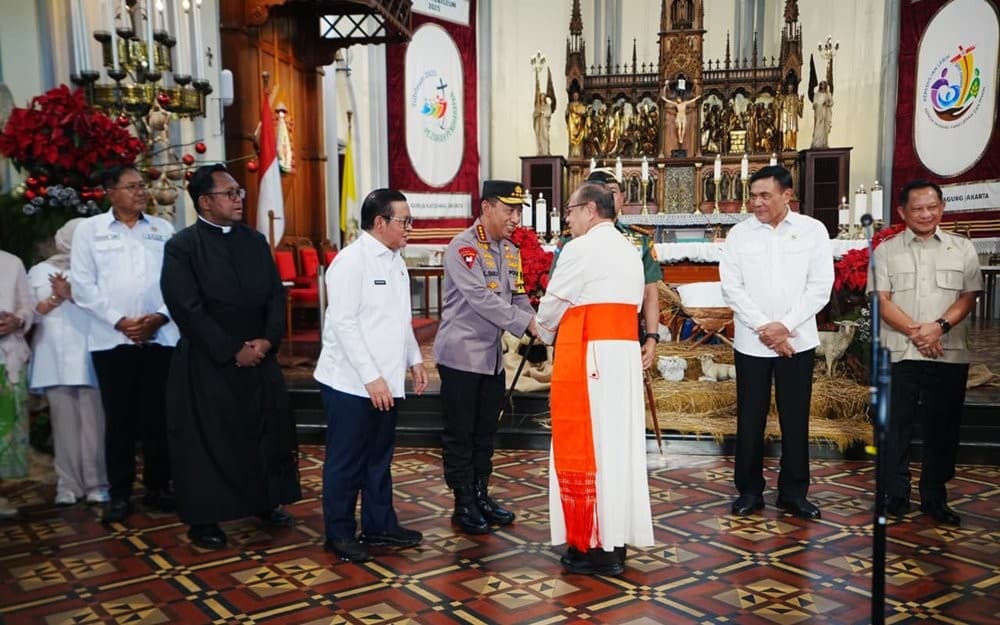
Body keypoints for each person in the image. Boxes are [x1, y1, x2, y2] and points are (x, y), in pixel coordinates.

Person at [160, 164, 301, 550]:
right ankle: (205, 518)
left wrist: (267, 341)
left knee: (265, 432)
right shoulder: (182, 247)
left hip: (259, 354)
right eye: (231, 193)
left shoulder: (254, 241)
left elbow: (275, 294)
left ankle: (265, 501)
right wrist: (231, 349)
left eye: (240, 192)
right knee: (209, 441)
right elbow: (186, 307)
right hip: (209, 361)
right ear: (205, 202)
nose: (240, 199)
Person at [536, 181, 653, 576]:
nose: (566, 218)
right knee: (617, 447)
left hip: (591, 356)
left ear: (590, 209)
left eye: (570, 210)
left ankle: (593, 545)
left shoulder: (580, 248)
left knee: (593, 445)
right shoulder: (629, 248)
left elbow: (554, 303)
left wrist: (541, 330)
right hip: (620, 355)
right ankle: (614, 539)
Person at [314, 188, 428, 563]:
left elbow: (399, 318)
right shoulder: (351, 262)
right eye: (404, 221)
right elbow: (343, 324)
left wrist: (414, 360)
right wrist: (371, 378)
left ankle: (380, 525)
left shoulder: (395, 259)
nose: (410, 227)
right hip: (351, 384)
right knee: (346, 461)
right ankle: (340, 533)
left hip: (385, 382)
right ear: (380, 222)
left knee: (379, 458)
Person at [719, 165, 833, 520]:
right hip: (752, 343)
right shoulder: (739, 235)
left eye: (765, 195)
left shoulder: (813, 231)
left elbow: (820, 287)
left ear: (787, 195)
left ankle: (794, 493)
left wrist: (783, 327)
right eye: (752, 196)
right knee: (750, 421)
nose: (756, 203)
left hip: (797, 340)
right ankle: (749, 492)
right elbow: (732, 288)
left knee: (795, 418)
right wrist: (765, 329)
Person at [71, 164, 177, 524]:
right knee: (119, 421)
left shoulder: (162, 229)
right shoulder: (91, 231)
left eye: (141, 185)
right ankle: (119, 494)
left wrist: (159, 317)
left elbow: (177, 282)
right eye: (131, 186)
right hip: (111, 340)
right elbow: (83, 286)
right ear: (110, 192)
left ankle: (159, 487)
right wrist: (122, 322)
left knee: (159, 417)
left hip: (160, 336)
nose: (140, 192)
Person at [871, 180, 981, 526]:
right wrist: (918, 332)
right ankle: (896, 494)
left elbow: (968, 296)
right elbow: (880, 299)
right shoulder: (886, 251)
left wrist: (939, 328)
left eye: (932, 207)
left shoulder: (962, 249)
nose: (925, 214)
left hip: (946, 352)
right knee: (895, 427)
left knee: (942, 428)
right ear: (902, 212)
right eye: (917, 208)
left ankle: (934, 496)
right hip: (899, 352)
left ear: (942, 208)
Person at [434, 180, 537, 535]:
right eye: (510, 210)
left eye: (519, 211)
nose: (516, 218)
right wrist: (528, 324)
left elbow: (518, 297)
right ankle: (463, 500)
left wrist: (535, 325)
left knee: (484, 431)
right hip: (461, 357)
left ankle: (481, 494)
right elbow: (482, 299)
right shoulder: (463, 249)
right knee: (460, 433)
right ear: (487, 206)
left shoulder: (510, 251)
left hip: (491, 358)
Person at [27, 218, 109, 506]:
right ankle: (68, 485)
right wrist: (54, 297)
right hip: (53, 358)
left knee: (94, 425)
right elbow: (30, 314)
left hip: (91, 354)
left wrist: (72, 294)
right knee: (63, 427)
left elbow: (107, 309)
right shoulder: (39, 270)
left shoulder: (95, 269)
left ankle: (97, 482)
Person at [570, 168, 663, 370]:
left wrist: (652, 338)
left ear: (622, 196)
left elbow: (650, 292)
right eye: (599, 191)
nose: (607, 197)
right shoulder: (572, 241)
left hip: (626, 334)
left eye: (612, 191)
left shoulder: (638, 240)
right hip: (582, 334)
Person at [0, 250, 32, 509]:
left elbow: (27, 306)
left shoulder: (12, 262)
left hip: (7, 358)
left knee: (5, 430)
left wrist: (16, 320)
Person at [778, 83, 803, 151]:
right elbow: (778, 106)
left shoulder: (796, 97)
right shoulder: (784, 97)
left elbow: (799, 110)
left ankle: (792, 146)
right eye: (789, 88)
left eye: (791, 88)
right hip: (785, 117)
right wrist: (779, 96)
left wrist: (801, 102)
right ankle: (785, 146)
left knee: (793, 130)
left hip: (792, 117)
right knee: (785, 131)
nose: (790, 89)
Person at [810, 81, 833, 149]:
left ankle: (824, 143)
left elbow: (831, 102)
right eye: (821, 85)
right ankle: (816, 143)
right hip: (819, 113)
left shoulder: (828, 94)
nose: (823, 86)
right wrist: (817, 106)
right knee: (818, 128)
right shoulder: (817, 94)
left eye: (824, 85)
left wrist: (827, 103)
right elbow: (814, 104)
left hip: (825, 113)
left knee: (824, 129)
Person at [566, 90, 588, 158]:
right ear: (572, 97)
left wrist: (583, 114)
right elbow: (566, 115)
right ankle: (573, 154)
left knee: (580, 138)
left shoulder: (581, 105)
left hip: (579, 124)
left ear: (578, 96)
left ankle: (579, 153)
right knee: (572, 139)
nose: (575, 97)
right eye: (574, 96)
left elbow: (584, 114)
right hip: (572, 124)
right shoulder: (570, 105)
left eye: (576, 95)